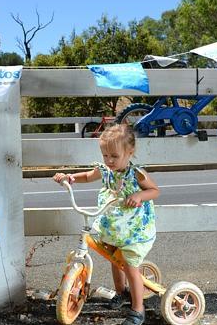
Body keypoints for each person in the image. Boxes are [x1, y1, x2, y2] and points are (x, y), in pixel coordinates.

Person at [53, 124, 159, 325]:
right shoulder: (105, 170)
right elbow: (87, 176)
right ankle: (121, 293)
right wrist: (69, 177)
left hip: (134, 229)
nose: (109, 160)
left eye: (114, 156)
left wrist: (139, 195)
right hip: (114, 225)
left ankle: (138, 310)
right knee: (113, 258)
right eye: (105, 155)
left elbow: (154, 191)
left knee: (129, 265)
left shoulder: (136, 173)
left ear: (130, 152)